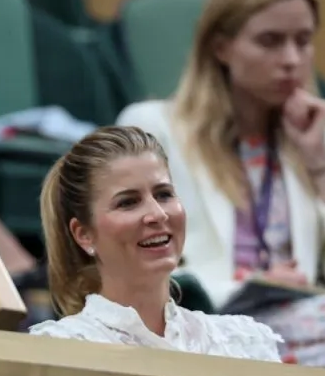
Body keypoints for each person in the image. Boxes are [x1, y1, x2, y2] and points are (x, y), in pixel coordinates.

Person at [116, 0, 325, 367]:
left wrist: (321, 165)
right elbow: (127, 259)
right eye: (270, 41)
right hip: (197, 325)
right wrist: (245, 286)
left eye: (303, 41)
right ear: (221, 47)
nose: (291, 59)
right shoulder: (153, 129)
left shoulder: (323, 141)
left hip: (305, 329)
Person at [29, 126, 281, 362]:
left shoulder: (245, 343)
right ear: (84, 234)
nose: (158, 214)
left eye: (164, 194)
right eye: (128, 202)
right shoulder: (63, 348)